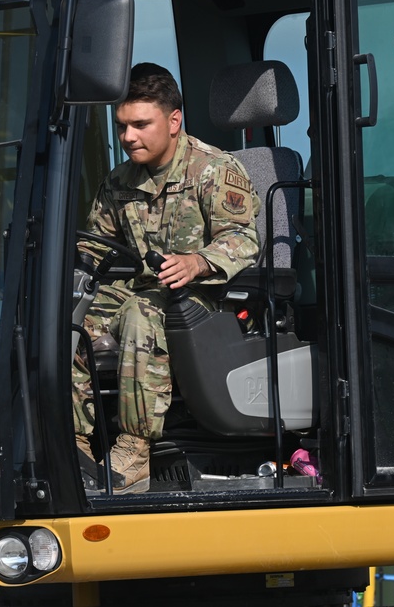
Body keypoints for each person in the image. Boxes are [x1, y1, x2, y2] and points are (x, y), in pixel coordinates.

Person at [72, 62, 260, 494]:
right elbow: (95, 247)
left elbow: (244, 239)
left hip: (209, 297)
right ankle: (75, 441)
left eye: (140, 125)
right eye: (121, 127)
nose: (128, 137)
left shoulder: (214, 170)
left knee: (143, 310)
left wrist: (198, 262)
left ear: (174, 121)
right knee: (70, 311)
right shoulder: (119, 181)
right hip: (141, 288)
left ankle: (135, 449)